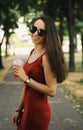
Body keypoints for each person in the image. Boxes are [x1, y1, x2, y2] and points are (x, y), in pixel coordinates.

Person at [12, 15, 68, 130]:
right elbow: (26, 86)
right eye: (33, 29)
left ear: (48, 35)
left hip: (38, 114)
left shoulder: (46, 57)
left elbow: (51, 90)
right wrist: (19, 109)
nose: (35, 33)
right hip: (27, 110)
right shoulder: (33, 51)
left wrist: (26, 78)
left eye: (41, 32)